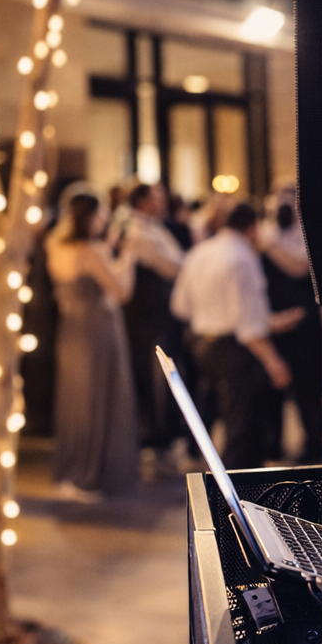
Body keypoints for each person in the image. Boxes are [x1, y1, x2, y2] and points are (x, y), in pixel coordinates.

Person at [170, 203, 298, 469]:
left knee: (218, 409)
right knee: (242, 425)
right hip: (233, 348)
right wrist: (274, 361)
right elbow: (248, 324)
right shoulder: (242, 258)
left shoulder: (200, 252)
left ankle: (202, 460)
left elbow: (180, 306)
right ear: (252, 227)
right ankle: (233, 491)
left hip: (202, 343)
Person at [46, 189, 139, 500]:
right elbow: (122, 292)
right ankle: (90, 475)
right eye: (101, 213)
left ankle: (71, 471)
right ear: (90, 216)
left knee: (75, 400)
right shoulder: (91, 251)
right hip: (99, 329)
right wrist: (128, 258)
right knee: (99, 399)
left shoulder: (55, 246)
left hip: (71, 329)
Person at [117, 182, 187, 461]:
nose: (162, 202)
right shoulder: (137, 232)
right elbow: (171, 267)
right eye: (156, 198)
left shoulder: (154, 227)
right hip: (148, 316)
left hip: (160, 315)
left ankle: (164, 433)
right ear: (143, 202)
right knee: (153, 375)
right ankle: (156, 436)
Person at [261, 197, 322, 464]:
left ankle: (314, 445)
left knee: (308, 389)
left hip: (305, 325)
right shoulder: (266, 235)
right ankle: (273, 445)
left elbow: (300, 268)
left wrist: (269, 248)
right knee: (273, 389)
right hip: (273, 322)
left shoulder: (311, 235)